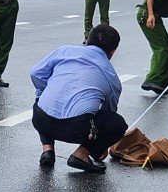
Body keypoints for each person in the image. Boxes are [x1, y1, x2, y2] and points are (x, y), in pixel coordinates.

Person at [30, 24, 127, 174]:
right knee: (118, 124)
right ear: (113, 51)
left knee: (42, 98)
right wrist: (99, 145)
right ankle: (81, 154)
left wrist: (45, 90)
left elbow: (36, 73)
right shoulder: (111, 76)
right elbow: (109, 112)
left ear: (87, 41)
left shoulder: (64, 51)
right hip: (75, 129)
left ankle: (47, 150)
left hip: (41, 120)